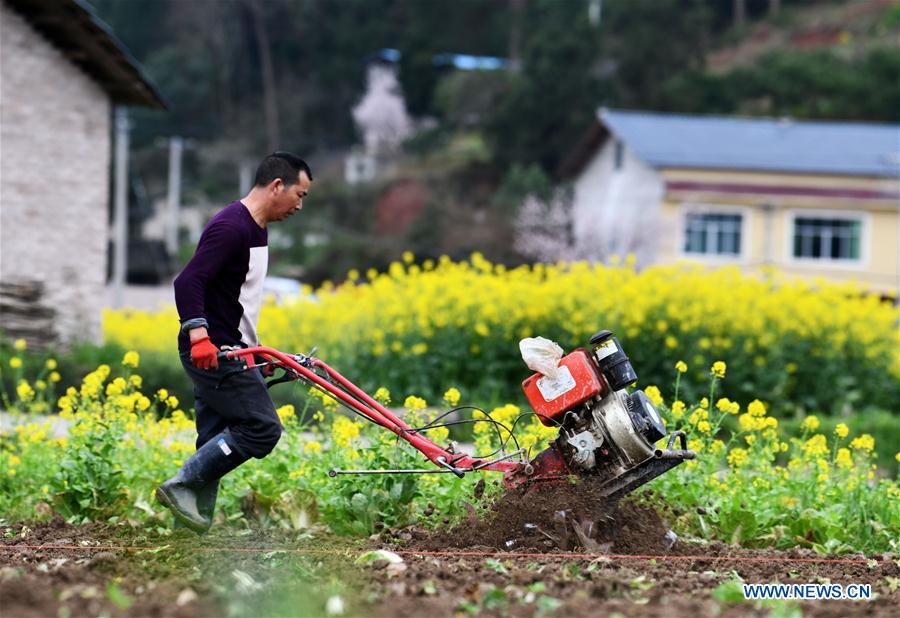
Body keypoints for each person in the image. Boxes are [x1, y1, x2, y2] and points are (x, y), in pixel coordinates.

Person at [157, 152, 312, 533]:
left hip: (235, 349)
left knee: (213, 437)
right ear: (278, 185)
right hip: (214, 352)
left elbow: (233, 299)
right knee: (262, 428)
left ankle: (189, 532)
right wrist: (199, 336)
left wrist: (259, 352)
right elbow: (188, 281)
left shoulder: (257, 228)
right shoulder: (231, 227)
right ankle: (180, 485)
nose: (300, 204)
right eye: (300, 194)